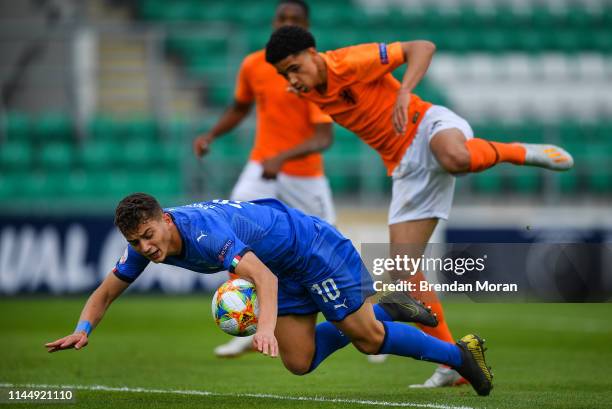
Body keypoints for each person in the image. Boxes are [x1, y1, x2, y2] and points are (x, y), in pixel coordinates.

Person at [264, 26, 573, 387]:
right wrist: (296, 80)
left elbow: (422, 46)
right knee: (403, 270)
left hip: (426, 124)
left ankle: (519, 152)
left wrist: (404, 92)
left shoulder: (348, 62)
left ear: (314, 53)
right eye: (285, 74)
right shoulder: (307, 88)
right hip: (406, 168)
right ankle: (452, 363)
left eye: (295, 67)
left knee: (454, 156)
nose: (292, 79)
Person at [45, 193, 493, 396]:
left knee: (367, 339)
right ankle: (389, 307)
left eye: (148, 236)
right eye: (137, 242)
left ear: (164, 218)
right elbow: (104, 293)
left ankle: (460, 356)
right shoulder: (146, 246)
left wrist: (263, 330)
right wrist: (82, 328)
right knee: (299, 363)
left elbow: (265, 281)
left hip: (312, 249)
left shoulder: (201, 235)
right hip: (282, 262)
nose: (146, 249)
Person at [193, 0, 336, 358]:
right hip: (261, 167)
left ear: (306, 28)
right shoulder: (255, 65)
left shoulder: (314, 70)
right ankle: (246, 322)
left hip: (304, 176)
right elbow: (240, 107)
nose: (284, 22)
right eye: (281, 17)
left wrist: (283, 158)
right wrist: (212, 134)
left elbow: (324, 138)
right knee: (233, 229)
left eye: (294, 19)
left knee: (331, 248)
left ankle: (361, 322)